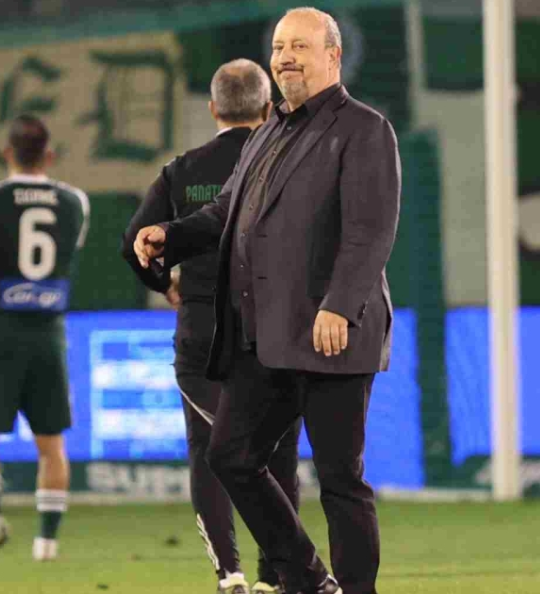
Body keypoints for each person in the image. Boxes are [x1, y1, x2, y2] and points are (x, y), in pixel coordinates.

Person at [133, 8, 399, 594]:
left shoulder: (364, 129)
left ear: (333, 56)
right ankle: (309, 581)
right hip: (270, 336)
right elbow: (224, 213)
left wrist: (340, 304)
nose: (285, 58)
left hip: (332, 334)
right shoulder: (268, 132)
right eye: (279, 47)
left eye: (299, 46)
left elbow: (370, 231)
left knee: (340, 479)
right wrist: (170, 237)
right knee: (230, 455)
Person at [123, 59, 300, 594]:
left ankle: (230, 575)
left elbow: (134, 243)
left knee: (207, 450)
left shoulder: (181, 171)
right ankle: (276, 575)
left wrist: (164, 284)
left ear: (213, 109)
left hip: (203, 327)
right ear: (267, 108)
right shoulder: (287, 160)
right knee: (277, 452)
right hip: (273, 329)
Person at [0, 114, 89, 564]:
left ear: (6, 153)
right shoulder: (76, 202)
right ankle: (46, 546)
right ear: (49, 155)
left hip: (1, 328)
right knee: (51, 443)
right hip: (50, 330)